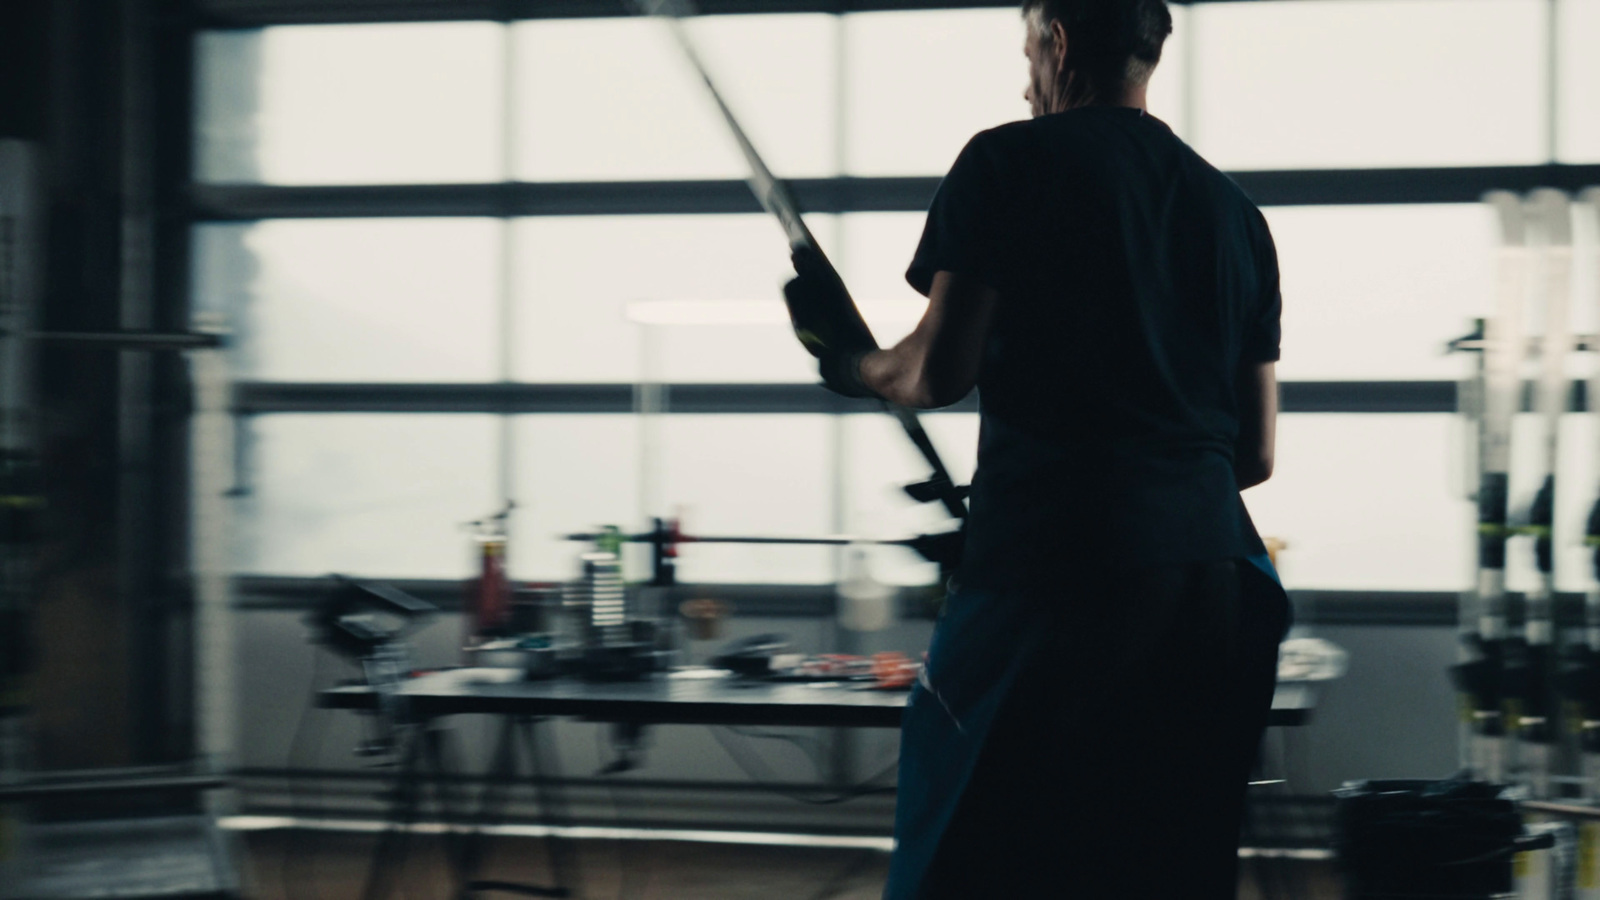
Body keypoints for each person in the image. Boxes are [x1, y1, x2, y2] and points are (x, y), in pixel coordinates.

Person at [801, 0, 1290, 896]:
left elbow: (936, 369)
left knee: (971, 853)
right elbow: (1253, 455)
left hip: (1058, 578)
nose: (1024, 75)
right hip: (1214, 591)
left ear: (1058, 40)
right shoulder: (1235, 215)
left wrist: (849, 362)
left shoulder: (1008, 161)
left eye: (1027, 46)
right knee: (1154, 862)